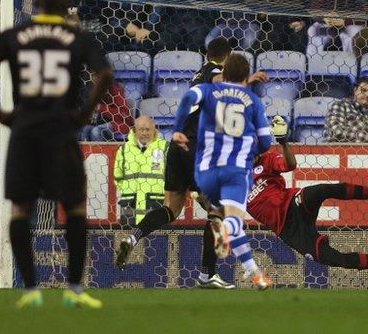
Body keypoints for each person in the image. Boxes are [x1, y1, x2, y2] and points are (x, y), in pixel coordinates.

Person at [0, 0, 113, 308]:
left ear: (35, 5)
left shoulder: (17, 34)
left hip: (24, 129)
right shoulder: (77, 37)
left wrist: (0, 113)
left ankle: (31, 290)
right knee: (75, 205)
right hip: (61, 129)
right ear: (64, 5)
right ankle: (74, 289)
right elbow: (103, 74)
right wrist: (84, 114)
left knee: (21, 207)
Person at [114, 38, 267, 290]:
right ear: (226, 59)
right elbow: (219, 80)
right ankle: (207, 275)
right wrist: (246, 81)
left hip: (177, 145)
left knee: (170, 209)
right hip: (197, 147)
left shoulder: (199, 73)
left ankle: (133, 237)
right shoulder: (214, 71)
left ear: (207, 54)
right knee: (217, 212)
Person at [242, 116, 368, 278]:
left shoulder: (268, 160)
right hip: (289, 230)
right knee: (333, 258)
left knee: (322, 190)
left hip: (293, 202)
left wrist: (282, 141)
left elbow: (290, 164)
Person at [172, 54, 274, 290]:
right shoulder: (252, 100)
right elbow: (267, 141)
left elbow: (188, 97)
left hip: (206, 170)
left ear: (224, 72)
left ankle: (255, 274)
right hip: (235, 170)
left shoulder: (209, 90)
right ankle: (225, 231)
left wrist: (178, 129)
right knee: (234, 222)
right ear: (246, 74)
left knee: (224, 213)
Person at [114, 116, 167, 225]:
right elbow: (117, 175)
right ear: (134, 130)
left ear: (154, 130)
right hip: (129, 204)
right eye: (141, 129)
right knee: (128, 237)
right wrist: (126, 188)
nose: (144, 133)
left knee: (158, 237)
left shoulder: (164, 147)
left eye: (147, 129)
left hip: (156, 202)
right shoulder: (124, 149)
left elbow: (172, 174)